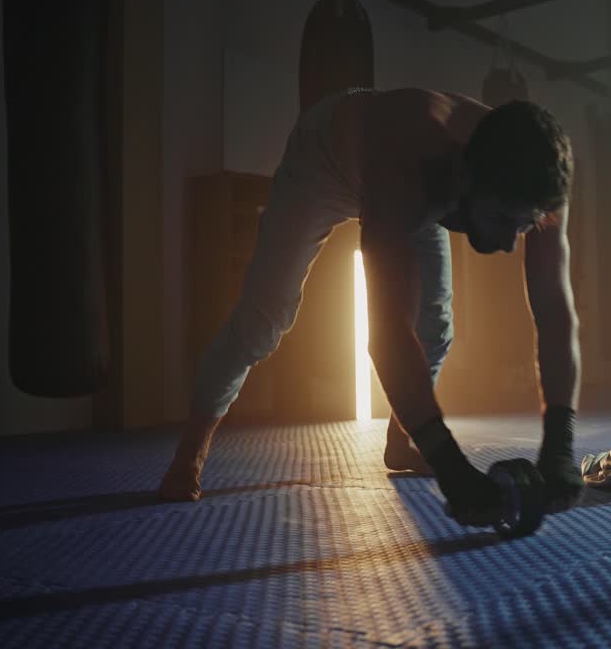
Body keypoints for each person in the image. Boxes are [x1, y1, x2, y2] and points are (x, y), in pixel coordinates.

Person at [158, 87, 584, 527]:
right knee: (264, 320)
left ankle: (402, 441)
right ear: (467, 179)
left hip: (418, 175)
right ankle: (189, 453)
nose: (508, 243)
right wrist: (452, 469)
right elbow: (386, 334)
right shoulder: (407, 162)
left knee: (435, 327)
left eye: (524, 225)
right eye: (499, 221)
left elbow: (554, 308)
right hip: (324, 160)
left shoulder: (544, 181)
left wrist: (560, 443)